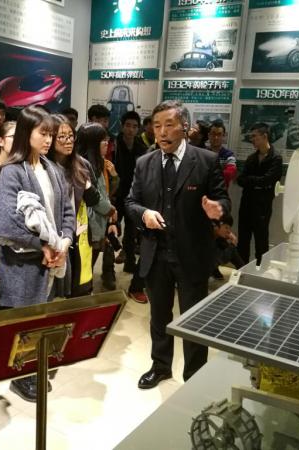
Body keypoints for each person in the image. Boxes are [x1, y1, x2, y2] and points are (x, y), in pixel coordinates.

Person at [125, 100, 230, 389]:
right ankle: (160, 366)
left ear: (185, 127)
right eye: (157, 126)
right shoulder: (144, 163)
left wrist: (218, 209)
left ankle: (195, 377)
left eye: (168, 125)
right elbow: (131, 202)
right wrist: (143, 214)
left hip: (192, 254)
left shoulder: (206, 160)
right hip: (155, 253)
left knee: (195, 320)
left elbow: (223, 199)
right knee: (159, 316)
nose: (161, 132)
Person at [0, 106, 74, 402]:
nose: (49, 140)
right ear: (27, 133)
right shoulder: (12, 170)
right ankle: (21, 376)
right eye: (44, 133)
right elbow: (2, 221)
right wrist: (42, 245)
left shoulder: (53, 169)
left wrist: (64, 242)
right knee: (23, 323)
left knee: (41, 318)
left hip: (51, 259)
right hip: (21, 263)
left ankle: (31, 369)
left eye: (51, 134)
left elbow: (67, 211)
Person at [49, 115, 101, 297]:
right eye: (62, 137)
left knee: (77, 286)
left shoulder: (81, 164)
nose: (68, 141)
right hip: (53, 233)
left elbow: (94, 200)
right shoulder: (43, 165)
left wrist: (85, 183)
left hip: (79, 232)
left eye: (71, 136)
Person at [77, 122, 119, 291]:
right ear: (92, 143)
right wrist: (110, 210)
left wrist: (114, 175)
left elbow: (106, 192)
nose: (107, 144)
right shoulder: (82, 165)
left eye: (107, 140)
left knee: (88, 267)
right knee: (83, 271)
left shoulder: (101, 162)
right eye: (103, 140)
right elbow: (94, 198)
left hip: (98, 223)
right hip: (88, 226)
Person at [237, 123, 283, 266]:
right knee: (243, 240)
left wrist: (252, 181)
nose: (252, 139)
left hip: (262, 206)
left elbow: (268, 180)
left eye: (254, 136)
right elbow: (240, 180)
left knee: (261, 241)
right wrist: (258, 183)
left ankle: (261, 270)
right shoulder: (251, 158)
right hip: (246, 204)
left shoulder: (276, 158)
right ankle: (241, 269)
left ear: (264, 136)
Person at [113, 111, 147, 303]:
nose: (131, 130)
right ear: (122, 126)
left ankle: (129, 262)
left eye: (134, 126)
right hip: (116, 195)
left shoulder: (141, 147)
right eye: (128, 125)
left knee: (132, 231)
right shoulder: (114, 144)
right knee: (112, 230)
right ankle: (108, 269)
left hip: (133, 195)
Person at [212, 213, 245, 279]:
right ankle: (214, 270)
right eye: (226, 227)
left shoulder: (220, 236)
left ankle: (244, 271)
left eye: (229, 228)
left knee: (231, 249)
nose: (229, 231)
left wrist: (231, 244)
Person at [208, 120, 237, 189]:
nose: (216, 137)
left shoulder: (229, 155)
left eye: (219, 134)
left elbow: (230, 173)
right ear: (209, 135)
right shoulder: (202, 152)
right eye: (213, 134)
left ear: (223, 136)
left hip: (220, 191)